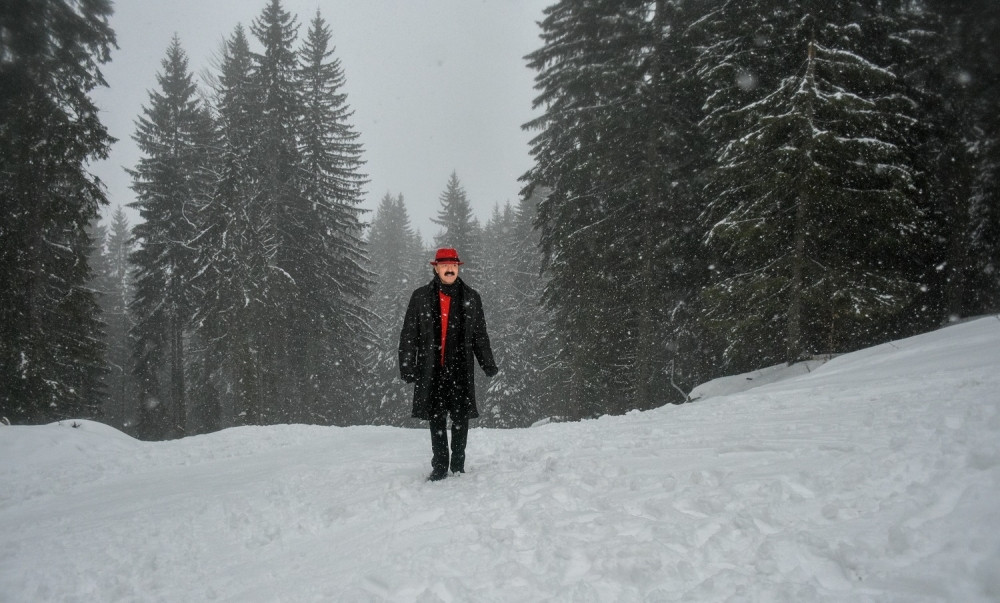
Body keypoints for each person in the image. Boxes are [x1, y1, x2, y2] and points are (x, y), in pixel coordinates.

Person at [399, 247, 498, 481]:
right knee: (436, 418)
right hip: (432, 369)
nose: (449, 269)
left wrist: (488, 363)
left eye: (453, 265)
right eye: (444, 265)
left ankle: (458, 464)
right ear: (436, 268)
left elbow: (479, 335)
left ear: (458, 268)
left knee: (461, 418)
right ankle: (441, 465)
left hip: (461, 370)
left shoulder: (471, 298)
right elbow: (409, 335)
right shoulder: (420, 297)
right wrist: (407, 366)